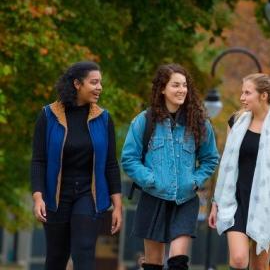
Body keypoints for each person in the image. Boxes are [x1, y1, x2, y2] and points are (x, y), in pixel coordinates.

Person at [121, 64, 219, 270]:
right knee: (153, 263)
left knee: (178, 261)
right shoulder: (144, 121)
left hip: (185, 200)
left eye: (184, 85)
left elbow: (210, 158)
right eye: (175, 85)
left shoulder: (199, 123)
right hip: (153, 198)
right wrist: (150, 180)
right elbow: (129, 159)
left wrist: (195, 181)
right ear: (162, 89)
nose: (181, 90)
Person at [30, 61, 122, 270]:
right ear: (77, 84)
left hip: (88, 194)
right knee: (56, 256)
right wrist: (38, 198)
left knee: (84, 250)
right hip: (56, 195)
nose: (100, 88)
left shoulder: (104, 118)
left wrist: (117, 205)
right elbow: (38, 161)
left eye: (100, 83)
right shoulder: (48, 116)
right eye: (94, 82)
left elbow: (110, 164)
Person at [208, 73, 270, 270]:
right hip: (236, 199)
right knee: (239, 260)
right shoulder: (235, 122)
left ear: (263, 96)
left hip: (269, 203)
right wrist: (216, 203)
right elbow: (226, 165)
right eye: (242, 93)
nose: (242, 98)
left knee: (259, 266)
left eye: (247, 93)